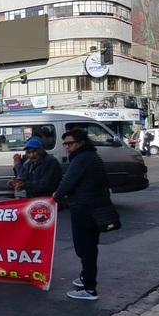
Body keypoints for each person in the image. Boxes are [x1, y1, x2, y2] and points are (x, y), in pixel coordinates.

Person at [54, 128, 109, 301]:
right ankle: (86, 277)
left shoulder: (81, 159)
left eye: (70, 143)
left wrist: (55, 196)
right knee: (90, 247)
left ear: (81, 143)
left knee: (85, 248)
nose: (67, 147)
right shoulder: (92, 156)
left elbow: (66, 184)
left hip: (84, 208)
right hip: (93, 207)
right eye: (65, 144)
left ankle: (90, 288)